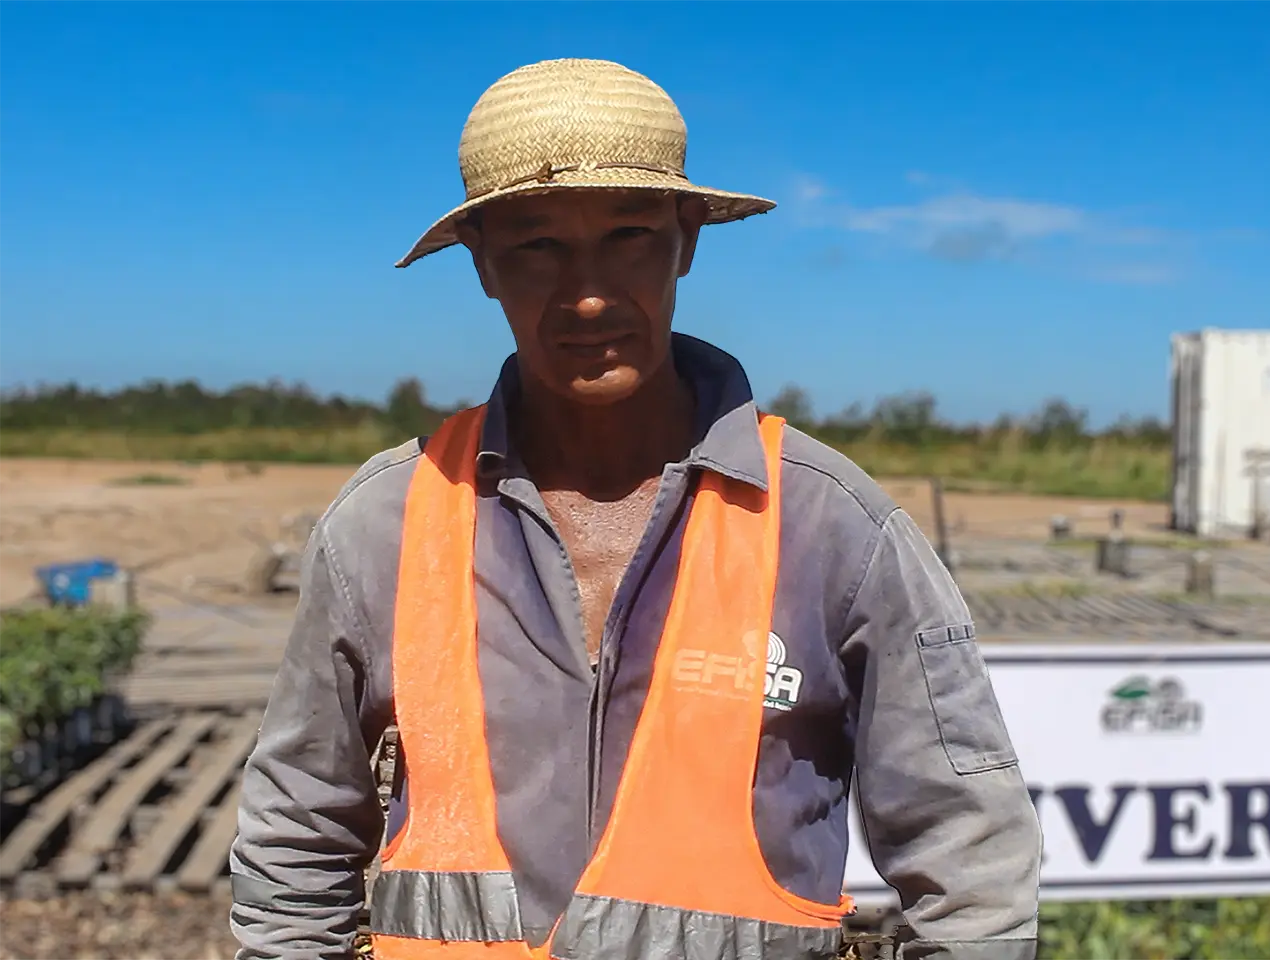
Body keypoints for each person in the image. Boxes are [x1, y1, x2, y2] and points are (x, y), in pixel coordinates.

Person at [229, 57, 1041, 960]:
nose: (588, 293)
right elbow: (294, 843)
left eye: (629, 236)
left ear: (686, 242)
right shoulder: (388, 523)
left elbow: (972, 866)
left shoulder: (833, 527)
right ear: (483, 264)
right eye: (537, 245)